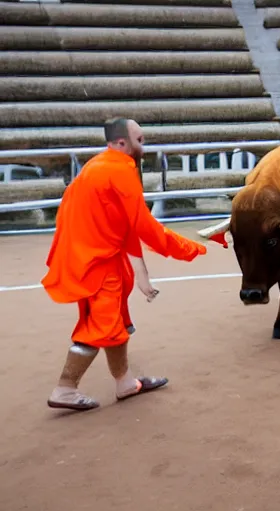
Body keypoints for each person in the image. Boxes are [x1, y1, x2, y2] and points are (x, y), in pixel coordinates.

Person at [42, 117, 207, 412]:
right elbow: (144, 226)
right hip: (96, 262)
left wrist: (140, 271)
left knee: (115, 323)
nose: (144, 146)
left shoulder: (97, 166)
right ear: (122, 143)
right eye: (140, 140)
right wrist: (191, 249)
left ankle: (125, 383)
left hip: (96, 258)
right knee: (98, 328)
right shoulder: (119, 171)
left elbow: (124, 225)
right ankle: (65, 389)